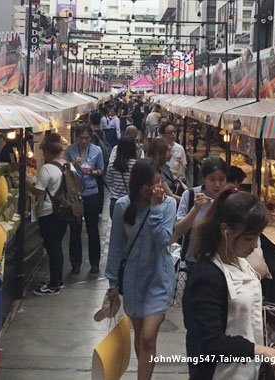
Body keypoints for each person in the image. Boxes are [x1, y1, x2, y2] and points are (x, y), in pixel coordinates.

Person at [187, 187, 275, 379]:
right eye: (249, 238)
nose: (256, 245)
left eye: (257, 236)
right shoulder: (207, 276)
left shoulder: (241, 262)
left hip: (248, 372)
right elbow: (210, 342)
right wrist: (259, 350)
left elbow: (246, 310)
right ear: (226, 231)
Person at [105, 158, 177, 380]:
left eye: (158, 182)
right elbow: (116, 246)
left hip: (159, 277)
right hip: (133, 281)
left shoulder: (168, 205)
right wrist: (112, 283)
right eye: (150, 184)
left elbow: (163, 240)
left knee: (147, 336)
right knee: (140, 336)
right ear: (138, 184)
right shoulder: (122, 206)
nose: (155, 188)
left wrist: (155, 208)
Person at [169, 157, 228, 376]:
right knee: (193, 328)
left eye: (221, 179)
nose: (217, 184)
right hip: (193, 269)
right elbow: (178, 231)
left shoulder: (229, 200)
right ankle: (196, 372)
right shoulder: (191, 195)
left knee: (216, 327)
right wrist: (196, 208)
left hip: (221, 271)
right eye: (212, 179)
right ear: (203, 179)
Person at [26, 133, 71, 295]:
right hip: (65, 211)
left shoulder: (46, 168)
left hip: (49, 213)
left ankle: (54, 285)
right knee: (57, 246)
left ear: (48, 152)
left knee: (53, 248)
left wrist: (26, 184)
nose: (43, 155)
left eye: (43, 152)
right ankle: (57, 279)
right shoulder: (68, 165)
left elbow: (38, 193)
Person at [65, 125, 104, 274]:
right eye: (81, 138)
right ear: (76, 138)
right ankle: (75, 264)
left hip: (91, 191)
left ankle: (94, 263)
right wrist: (72, 164)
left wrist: (92, 171)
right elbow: (65, 170)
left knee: (92, 228)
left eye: (86, 138)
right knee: (75, 229)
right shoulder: (70, 151)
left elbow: (101, 170)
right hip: (74, 193)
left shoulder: (97, 151)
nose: (84, 141)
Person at [106, 135, 137, 218]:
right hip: (131, 201)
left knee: (116, 229)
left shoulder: (112, 164)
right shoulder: (137, 165)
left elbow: (109, 181)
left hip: (115, 201)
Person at [147, 138, 181, 204]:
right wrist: (188, 200)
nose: (170, 154)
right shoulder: (155, 171)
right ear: (160, 153)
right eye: (168, 151)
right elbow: (170, 195)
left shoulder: (164, 166)